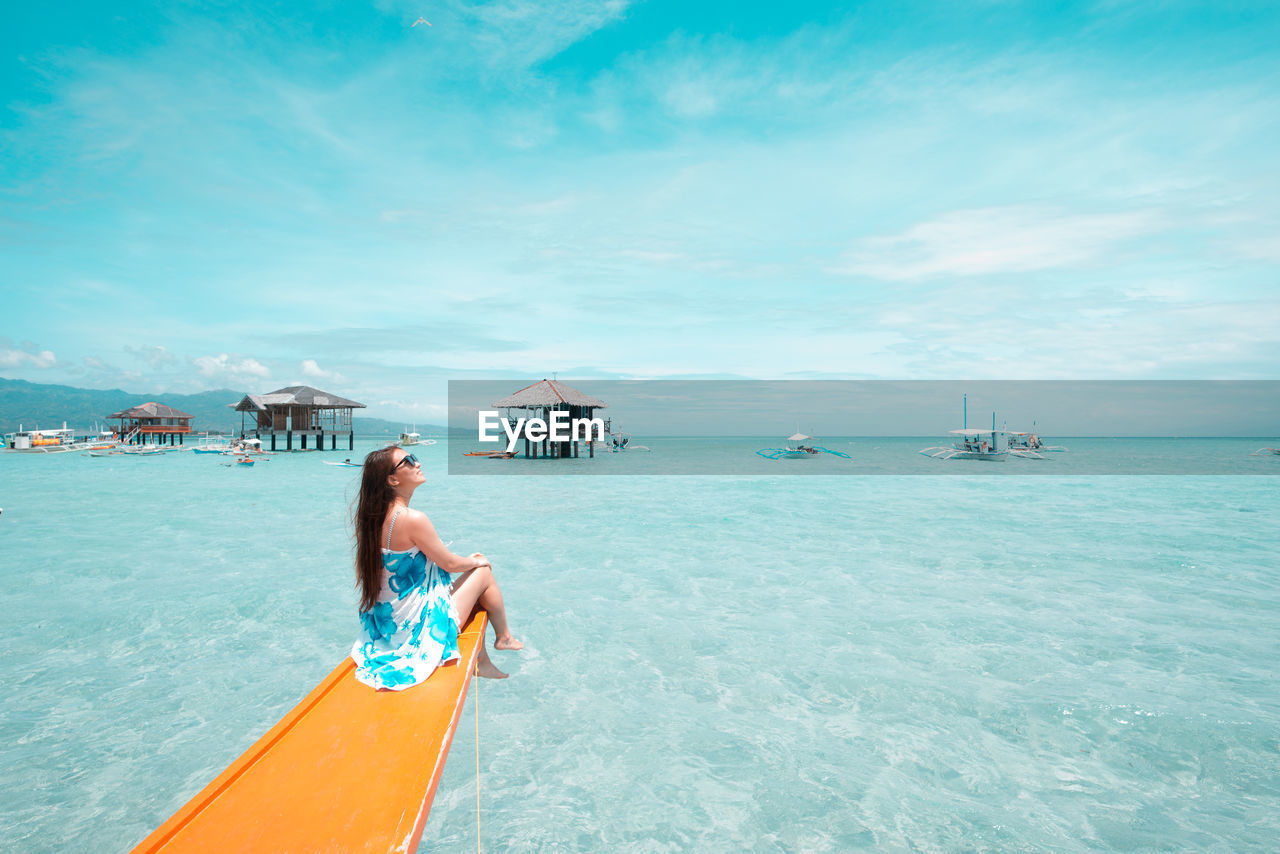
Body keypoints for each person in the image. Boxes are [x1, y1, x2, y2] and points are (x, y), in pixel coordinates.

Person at [351, 446, 521, 690]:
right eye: (408, 461)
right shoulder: (412, 519)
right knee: (482, 572)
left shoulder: (372, 519)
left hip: (391, 625)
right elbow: (449, 564)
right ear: (392, 479)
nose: (417, 463)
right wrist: (475, 561)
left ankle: (483, 658)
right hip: (418, 627)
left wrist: (467, 560)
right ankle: (503, 638)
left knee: (472, 574)